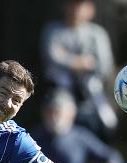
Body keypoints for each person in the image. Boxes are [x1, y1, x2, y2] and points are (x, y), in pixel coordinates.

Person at [41, 0, 117, 138]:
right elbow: (52, 57)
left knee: (108, 124)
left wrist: (67, 58)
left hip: (92, 91)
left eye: (80, 5)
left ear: (90, 9)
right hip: (61, 89)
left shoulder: (97, 34)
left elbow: (104, 66)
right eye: (72, 4)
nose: (76, 9)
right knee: (58, 124)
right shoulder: (53, 30)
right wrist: (81, 62)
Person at [30, 89, 123, 163]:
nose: (54, 117)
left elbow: (111, 156)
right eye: (50, 112)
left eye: (58, 112)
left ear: (71, 114)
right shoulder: (33, 138)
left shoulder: (80, 137)